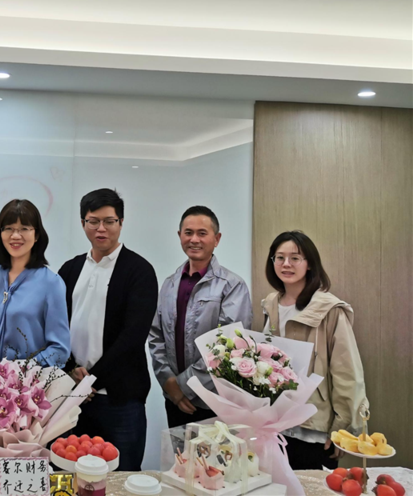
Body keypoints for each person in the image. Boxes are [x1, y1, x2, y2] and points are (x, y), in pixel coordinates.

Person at [59, 188, 158, 471]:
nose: (101, 228)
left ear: (121, 223)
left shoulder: (139, 270)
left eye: (109, 221)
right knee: (72, 474)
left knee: (122, 476)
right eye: (93, 221)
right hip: (72, 396)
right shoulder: (69, 269)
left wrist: (91, 380)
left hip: (120, 399)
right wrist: (70, 370)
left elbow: (133, 336)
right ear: (83, 223)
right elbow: (55, 328)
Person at [262, 230, 368, 470]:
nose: (286, 264)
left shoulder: (330, 309)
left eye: (295, 258)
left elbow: (347, 372)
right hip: (275, 426)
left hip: (313, 429)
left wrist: (343, 428)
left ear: (309, 263)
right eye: (279, 257)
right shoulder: (270, 304)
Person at [148, 206, 252, 428]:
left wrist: (183, 386)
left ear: (217, 239)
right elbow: (156, 337)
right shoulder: (169, 284)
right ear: (180, 236)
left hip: (215, 400)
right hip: (174, 399)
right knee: (178, 450)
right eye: (188, 233)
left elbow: (229, 346)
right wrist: (168, 382)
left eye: (202, 233)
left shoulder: (232, 285)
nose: (194, 239)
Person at [0, 199, 70, 367]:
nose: (15, 236)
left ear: (37, 235)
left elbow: (59, 349)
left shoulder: (51, 283)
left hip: (26, 380)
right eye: (9, 229)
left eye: (24, 229)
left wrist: (23, 371)